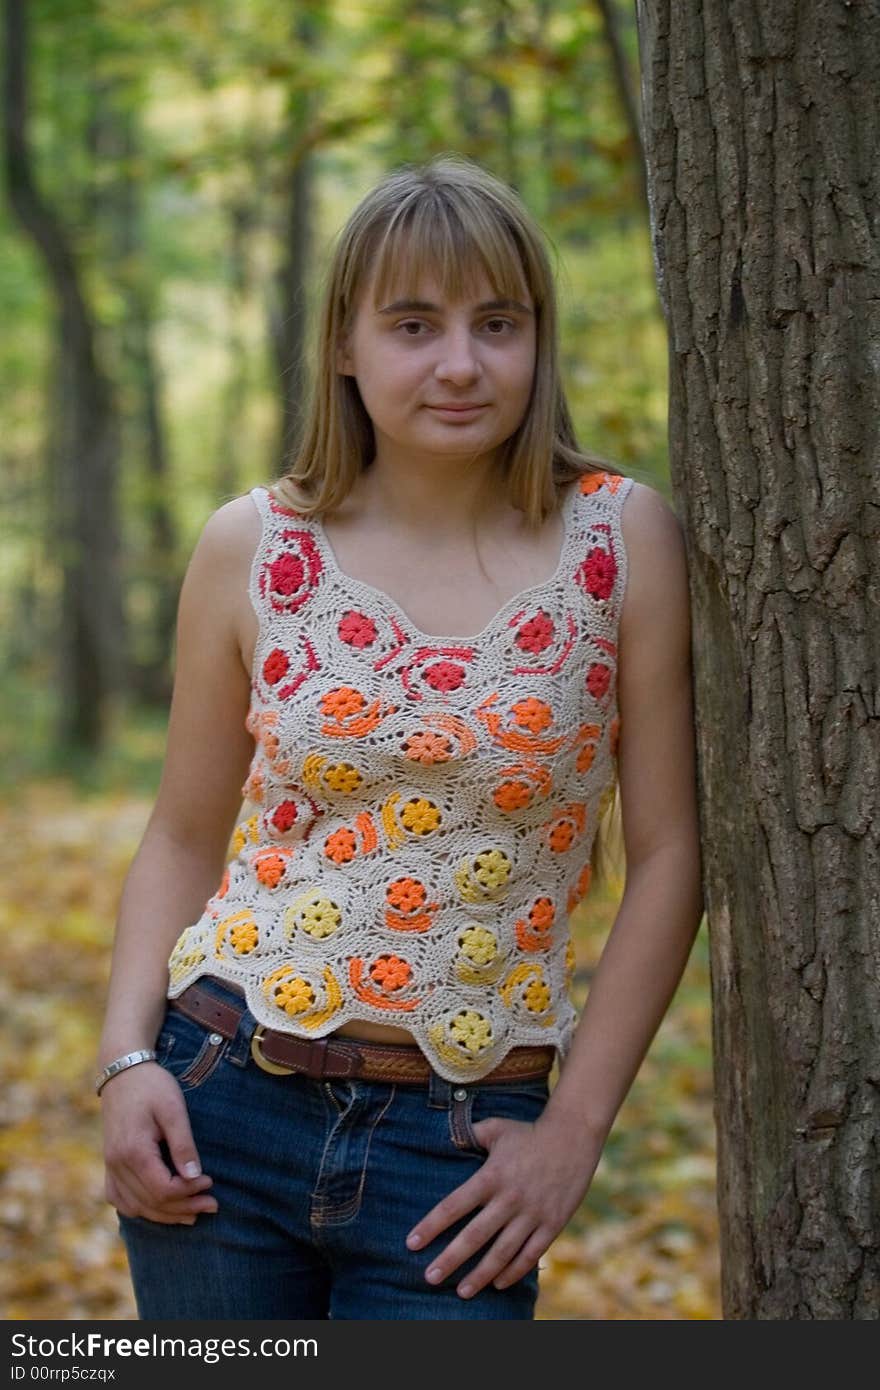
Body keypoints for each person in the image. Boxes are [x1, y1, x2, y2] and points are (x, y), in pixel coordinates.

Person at [97, 154, 703, 1321]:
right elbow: (180, 836)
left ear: (539, 339)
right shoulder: (250, 545)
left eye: (498, 323)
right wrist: (127, 1066)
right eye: (414, 325)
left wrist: (573, 1133)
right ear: (344, 343)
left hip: (464, 1149)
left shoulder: (622, 542)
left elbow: (671, 855)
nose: (462, 364)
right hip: (222, 1099)